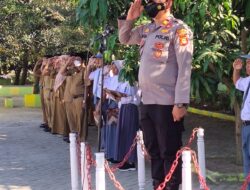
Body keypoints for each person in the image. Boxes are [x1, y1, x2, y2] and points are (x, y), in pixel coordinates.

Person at [118, 0, 193, 189]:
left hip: (167, 102)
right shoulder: (147, 29)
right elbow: (125, 39)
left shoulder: (179, 29)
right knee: (153, 150)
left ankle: (171, 186)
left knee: (169, 151)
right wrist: (129, 19)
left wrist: (181, 103)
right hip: (147, 100)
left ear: (168, 2)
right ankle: (158, 185)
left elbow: (185, 67)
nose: (150, 3)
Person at [233, 57, 250, 190]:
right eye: (248, 63)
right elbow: (237, 82)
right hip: (246, 127)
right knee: (247, 162)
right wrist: (236, 70)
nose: (248, 66)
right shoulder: (248, 81)